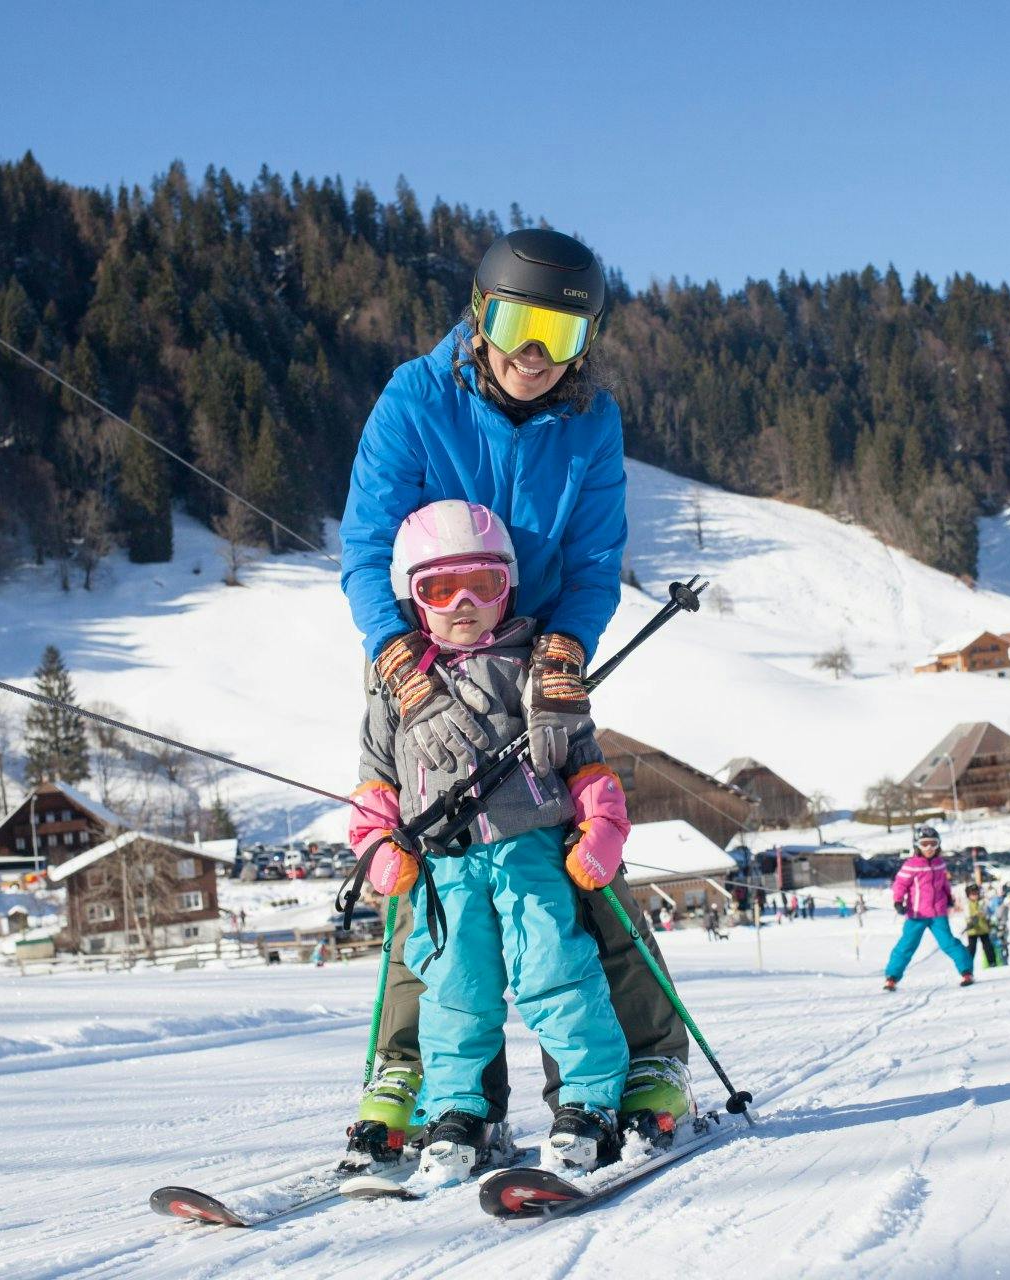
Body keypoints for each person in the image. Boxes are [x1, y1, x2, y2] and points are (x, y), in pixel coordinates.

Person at [336, 232, 691, 1173]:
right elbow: (368, 546)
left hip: (533, 662)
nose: (534, 356)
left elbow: (591, 558)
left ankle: (645, 1059)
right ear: (479, 314)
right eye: (517, 325)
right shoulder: (417, 397)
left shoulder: (592, 422)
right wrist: (398, 659)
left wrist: (566, 652)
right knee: (428, 862)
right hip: (428, 652)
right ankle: (422, 1076)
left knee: (579, 862)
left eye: (560, 334)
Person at [351, 501, 631, 1179]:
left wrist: (603, 829)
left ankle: (588, 1100)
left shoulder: (535, 669)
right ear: (412, 599)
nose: (465, 604)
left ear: (509, 585)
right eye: (440, 590)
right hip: (445, 868)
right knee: (454, 988)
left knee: (554, 969)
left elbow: (587, 761)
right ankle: (460, 1110)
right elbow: (374, 786)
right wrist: (378, 850)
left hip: (530, 851)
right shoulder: (398, 694)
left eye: (483, 584)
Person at [883, 826, 975, 991]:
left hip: (938, 913)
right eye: (925, 844)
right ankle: (892, 977)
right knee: (906, 945)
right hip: (916, 914)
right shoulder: (911, 865)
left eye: (933, 844)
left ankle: (966, 972)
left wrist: (948, 897)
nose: (929, 848)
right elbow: (900, 885)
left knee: (949, 943)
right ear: (917, 845)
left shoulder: (940, 864)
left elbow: (944, 883)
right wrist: (898, 901)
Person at [962, 883, 1000, 971]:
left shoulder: (982, 902)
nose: (975, 896)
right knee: (971, 949)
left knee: (988, 946)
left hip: (983, 929)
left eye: (976, 893)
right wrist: (971, 921)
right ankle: (968, 965)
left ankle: (992, 962)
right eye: (973, 894)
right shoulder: (967, 904)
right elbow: (967, 915)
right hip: (973, 930)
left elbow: (987, 912)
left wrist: (987, 917)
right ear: (968, 895)